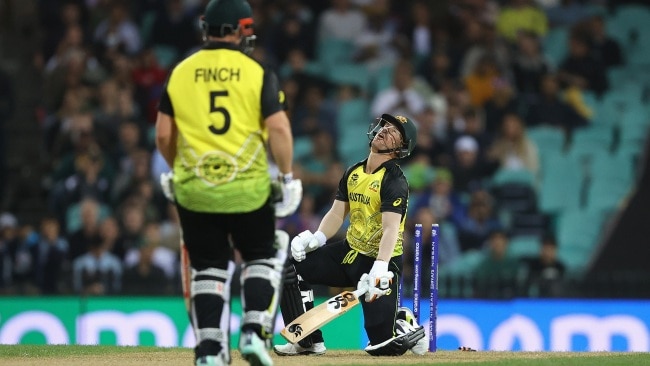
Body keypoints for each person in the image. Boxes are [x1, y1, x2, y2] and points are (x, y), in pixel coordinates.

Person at [154, 0, 302, 365]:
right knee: (260, 256)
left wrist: (181, 169)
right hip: (247, 189)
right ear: (241, 30)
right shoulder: (257, 71)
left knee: (208, 266)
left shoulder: (181, 71)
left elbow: (162, 134)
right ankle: (253, 332)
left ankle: (209, 351)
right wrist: (286, 176)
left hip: (195, 189)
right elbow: (279, 128)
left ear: (206, 28)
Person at [273, 113, 427, 357]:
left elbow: (390, 229)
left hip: (381, 264)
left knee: (382, 347)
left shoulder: (395, 181)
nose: (385, 130)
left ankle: (404, 321)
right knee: (292, 269)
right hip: (349, 252)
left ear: (401, 148)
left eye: (394, 131)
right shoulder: (353, 172)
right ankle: (307, 342)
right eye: (385, 125)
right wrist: (317, 238)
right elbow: (336, 215)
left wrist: (380, 267)